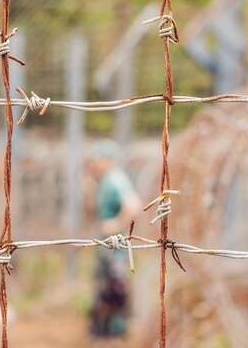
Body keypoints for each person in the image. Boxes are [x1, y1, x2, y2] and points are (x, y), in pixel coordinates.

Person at [86, 139, 142, 347]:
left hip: (116, 250)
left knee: (116, 290)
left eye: (95, 159)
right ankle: (104, 332)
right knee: (105, 289)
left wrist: (116, 224)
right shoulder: (104, 181)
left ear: (106, 159)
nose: (92, 164)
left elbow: (133, 205)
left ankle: (116, 334)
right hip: (108, 248)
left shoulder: (116, 180)